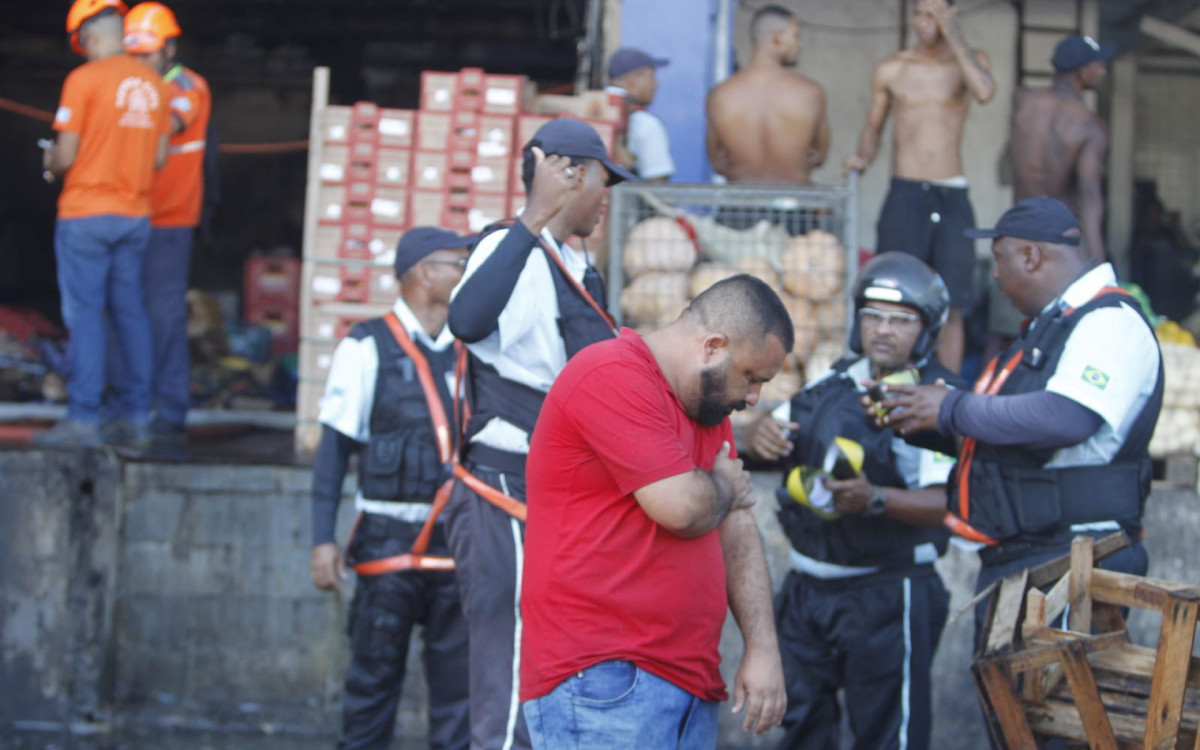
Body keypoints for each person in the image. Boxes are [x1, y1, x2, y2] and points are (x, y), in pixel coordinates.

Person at [876, 197, 1161, 649]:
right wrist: (921, 419)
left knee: (1050, 714)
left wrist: (950, 408)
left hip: (1074, 560)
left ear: (1031, 256)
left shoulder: (1108, 322)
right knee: (1016, 715)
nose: (994, 276)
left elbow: (1066, 418)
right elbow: (1014, 436)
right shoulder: (1047, 327)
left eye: (999, 260)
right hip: (1031, 561)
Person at [520, 275, 791, 748]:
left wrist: (763, 648)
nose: (753, 399)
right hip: (605, 678)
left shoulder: (707, 407)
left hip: (689, 678)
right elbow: (683, 508)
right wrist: (724, 484)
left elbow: (738, 523)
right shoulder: (611, 373)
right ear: (712, 346)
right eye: (751, 377)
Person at [444, 117, 633, 750]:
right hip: (505, 488)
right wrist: (533, 215)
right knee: (509, 682)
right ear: (567, 174)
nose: (606, 197)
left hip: (553, 495)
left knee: (548, 676)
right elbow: (466, 320)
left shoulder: (568, 261)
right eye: (599, 181)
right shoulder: (513, 249)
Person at [742, 254, 963, 750]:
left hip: (887, 594)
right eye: (873, 316)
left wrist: (875, 500)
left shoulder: (940, 401)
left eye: (902, 320)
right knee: (800, 728)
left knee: (887, 737)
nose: (884, 330)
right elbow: (767, 438)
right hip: (806, 593)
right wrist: (761, 435)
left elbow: (949, 502)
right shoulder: (829, 387)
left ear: (929, 328)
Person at [309, 227, 478, 750]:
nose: (466, 272)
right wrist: (322, 539)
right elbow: (333, 451)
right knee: (371, 688)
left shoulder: (475, 349)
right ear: (424, 273)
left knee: (461, 697)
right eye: (457, 263)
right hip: (386, 546)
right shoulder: (365, 346)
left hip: (457, 545)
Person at [35, 0, 169, 447]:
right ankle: (136, 416)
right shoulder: (154, 84)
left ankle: (83, 418)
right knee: (130, 313)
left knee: (86, 316)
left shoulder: (83, 79)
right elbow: (159, 157)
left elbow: (67, 155)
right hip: (135, 217)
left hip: (86, 216)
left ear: (87, 37)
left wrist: (50, 162)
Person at [844, 0, 996, 374]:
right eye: (919, 13)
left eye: (934, 14)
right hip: (905, 192)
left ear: (950, 16)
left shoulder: (968, 63)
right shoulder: (893, 68)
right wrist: (862, 159)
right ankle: (884, 383)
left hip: (952, 192)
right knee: (892, 290)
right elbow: (872, 129)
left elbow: (985, 92)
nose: (924, 23)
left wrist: (953, 35)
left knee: (954, 302)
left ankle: (946, 392)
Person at [123, 1, 212, 444]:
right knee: (126, 313)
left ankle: (171, 408)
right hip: (133, 216)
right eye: (133, 55)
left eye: (147, 55)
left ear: (169, 49)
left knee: (163, 315)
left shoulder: (187, 87)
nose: (140, 63)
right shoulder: (135, 89)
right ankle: (132, 405)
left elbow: (168, 123)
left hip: (170, 221)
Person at [992, 35, 1113, 346]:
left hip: (1014, 234)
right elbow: (1089, 196)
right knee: (1054, 342)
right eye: (1097, 65)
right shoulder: (1088, 124)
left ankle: (981, 394)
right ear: (1080, 71)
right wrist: (1098, 263)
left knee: (1002, 340)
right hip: (1054, 246)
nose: (1102, 70)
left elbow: (1005, 167)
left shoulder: (1024, 101)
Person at [706, 4, 829, 186]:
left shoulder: (720, 95)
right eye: (796, 35)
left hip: (738, 207)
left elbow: (717, 163)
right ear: (777, 38)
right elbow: (818, 157)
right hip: (795, 206)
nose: (799, 44)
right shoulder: (810, 92)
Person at [606, 47, 674, 181]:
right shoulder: (645, 123)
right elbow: (658, 184)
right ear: (633, 80)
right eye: (652, 77)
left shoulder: (588, 112)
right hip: (623, 201)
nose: (656, 84)